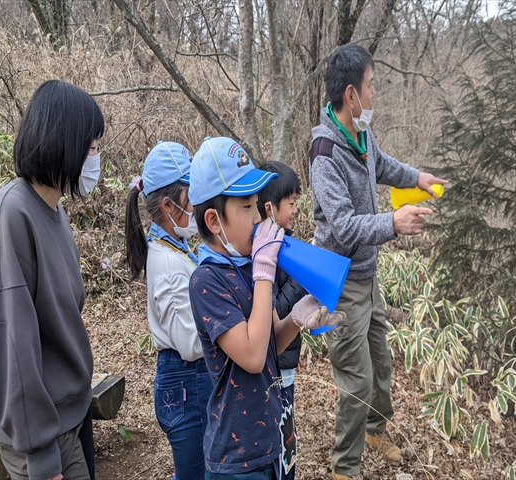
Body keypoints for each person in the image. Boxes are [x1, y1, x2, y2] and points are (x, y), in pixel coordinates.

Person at [309, 44, 447, 480]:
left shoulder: (363, 135)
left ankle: (375, 431)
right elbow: (345, 226)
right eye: (370, 87)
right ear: (351, 95)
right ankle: (344, 468)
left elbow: (382, 166)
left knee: (381, 366)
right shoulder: (324, 154)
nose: (374, 95)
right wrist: (393, 222)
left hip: (368, 277)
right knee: (356, 381)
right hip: (340, 281)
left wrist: (417, 178)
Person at [187, 137, 343, 479]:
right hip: (236, 456)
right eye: (246, 207)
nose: (259, 218)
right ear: (214, 221)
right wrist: (264, 273)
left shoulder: (247, 267)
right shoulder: (207, 281)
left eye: (258, 205)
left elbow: (270, 342)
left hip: (271, 438)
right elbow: (252, 356)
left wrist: (296, 319)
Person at [0, 79, 105, 480]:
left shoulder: (55, 211)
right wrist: (38, 452)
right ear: (64, 143)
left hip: (68, 411)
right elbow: (11, 343)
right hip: (39, 430)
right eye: (91, 146)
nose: (96, 157)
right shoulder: (12, 214)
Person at [124, 141, 212, 480]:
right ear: (168, 205)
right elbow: (190, 343)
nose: (202, 202)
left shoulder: (176, 248)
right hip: (186, 383)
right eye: (194, 194)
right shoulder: (166, 260)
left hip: (189, 382)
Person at [255, 161, 306, 480]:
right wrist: (303, 282)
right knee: (282, 431)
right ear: (269, 208)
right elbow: (270, 307)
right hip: (276, 362)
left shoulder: (285, 242)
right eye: (292, 202)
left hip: (287, 357)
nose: (297, 209)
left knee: (287, 430)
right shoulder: (265, 250)